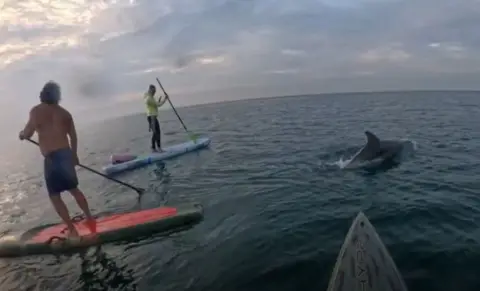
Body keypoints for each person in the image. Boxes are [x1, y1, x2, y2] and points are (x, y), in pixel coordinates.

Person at [18, 81, 95, 238]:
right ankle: (89, 218)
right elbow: (73, 136)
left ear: (43, 94)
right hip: (66, 154)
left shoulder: (36, 111)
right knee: (74, 189)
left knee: (55, 196)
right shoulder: (65, 113)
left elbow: (27, 133)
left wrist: (22, 135)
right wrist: (74, 155)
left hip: (52, 158)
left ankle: (71, 229)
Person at [144, 84, 168, 152]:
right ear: (150, 90)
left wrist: (159, 101)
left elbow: (155, 104)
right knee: (157, 132)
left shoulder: (149, 97)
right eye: (154, 91)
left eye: (155, 91)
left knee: (155, 132)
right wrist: (165, 99)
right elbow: (158, 105)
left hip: (151, 117)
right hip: (152, 117)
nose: (155, 92)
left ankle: (154, 148)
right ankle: (158, 148)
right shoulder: (149, 98)